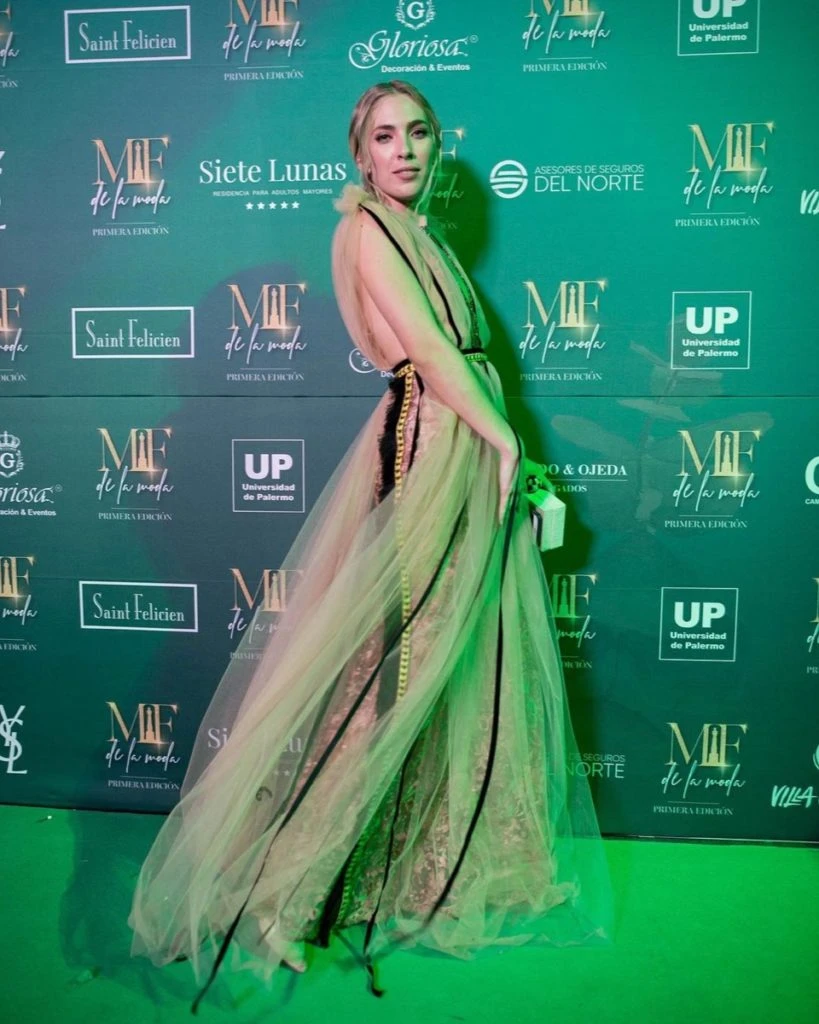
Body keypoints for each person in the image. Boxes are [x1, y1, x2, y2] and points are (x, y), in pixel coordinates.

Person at [127, 80, 612, 1012]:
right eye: (384, 136)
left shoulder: (419, 232)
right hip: (433, 445)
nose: (404, 150)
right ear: (360, 153)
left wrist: (498, 444)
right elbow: (428, 351)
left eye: (417, 133)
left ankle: (420, 860)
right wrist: (506, 441)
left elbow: (455, 355)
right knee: (383, 671)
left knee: (449, 663)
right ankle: (281, 893)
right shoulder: (365, 232)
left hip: (463, 442)